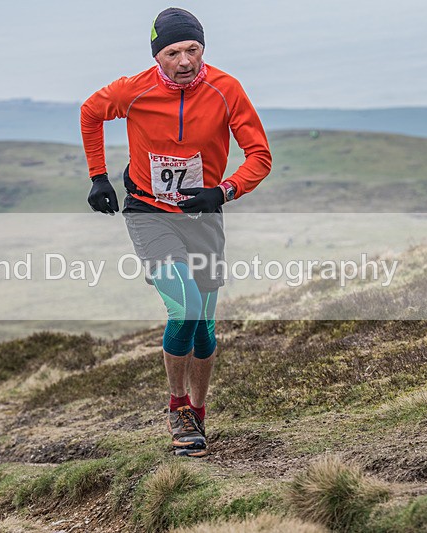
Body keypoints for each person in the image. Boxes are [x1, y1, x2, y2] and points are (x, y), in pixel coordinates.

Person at [81, 8, 271, 457]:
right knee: (183, 307)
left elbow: (259, 155)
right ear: (157, 55)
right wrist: (98, 176)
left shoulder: (226, 90)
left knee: (204, 328)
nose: (185, 61)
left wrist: (223, 192)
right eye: (172, 52)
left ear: (202, 48)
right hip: (149, 212)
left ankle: (199, 413)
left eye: (193, 49)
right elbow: (90, 112)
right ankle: (177, 408)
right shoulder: (134, 89)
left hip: (203, 216)